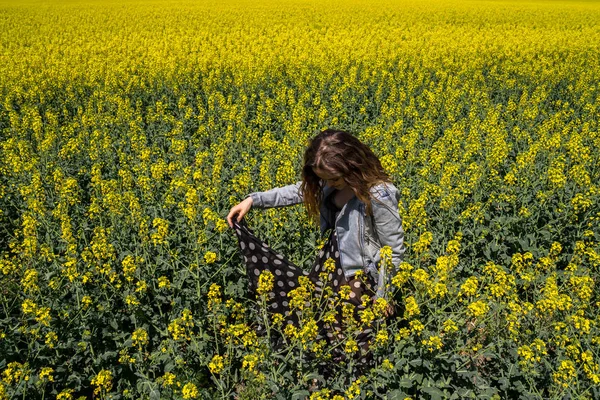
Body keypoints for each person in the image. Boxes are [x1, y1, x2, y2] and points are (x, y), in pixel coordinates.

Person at [226, 129, 406, 365]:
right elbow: (296, 192)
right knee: (324, 321)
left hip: (358, 273)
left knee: (355, 335)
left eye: (333, 178)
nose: (328, 184)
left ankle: (359, 383)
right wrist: (253, 200)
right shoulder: (332, 181)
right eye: (325, 179)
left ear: (351, 165)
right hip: (332, 262)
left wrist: (384, 295)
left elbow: (392, 250)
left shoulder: (379, 194)